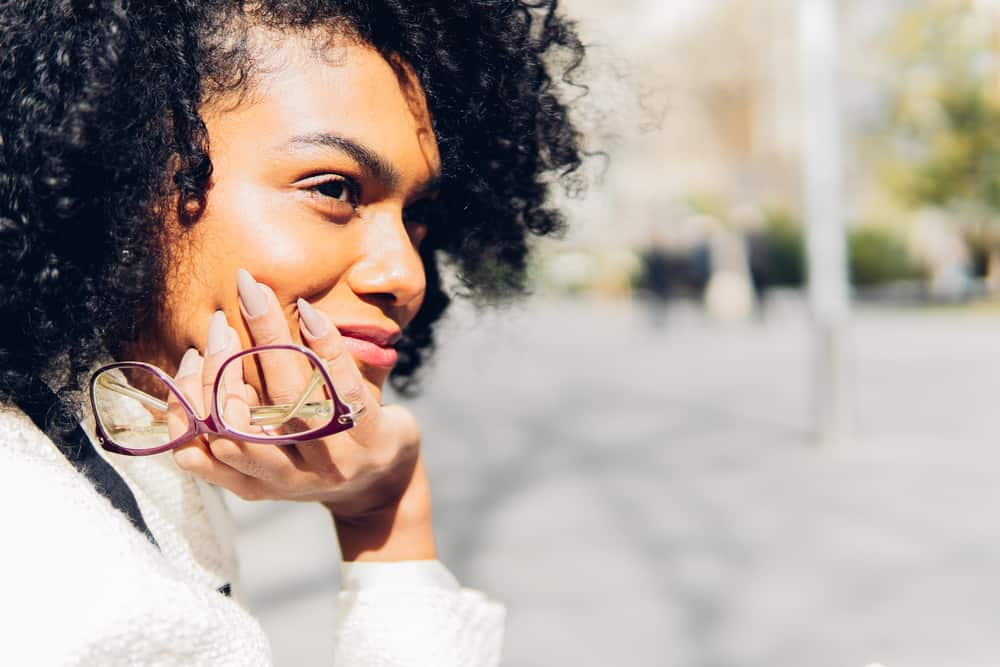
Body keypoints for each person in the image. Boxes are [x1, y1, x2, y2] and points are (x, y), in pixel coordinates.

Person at [0, 1, 584, 664]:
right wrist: (388, 524)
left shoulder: (118, 441)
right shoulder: (84, 588)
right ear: (125, 177)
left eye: (418, 215)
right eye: (335, 188)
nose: (405, 273)